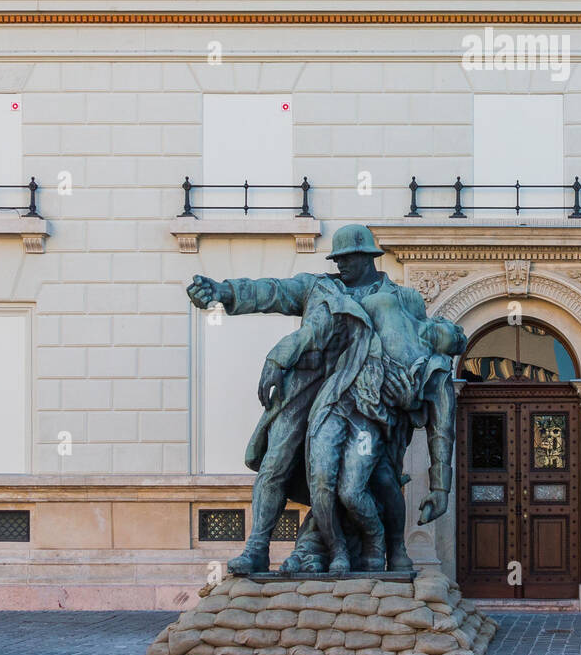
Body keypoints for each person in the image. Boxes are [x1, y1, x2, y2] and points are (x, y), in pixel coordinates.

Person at [186, 223, 462, 575]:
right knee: (276, 464)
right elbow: (270, 292)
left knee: (366, 479)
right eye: (338, 259)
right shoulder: (319, 287)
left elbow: (417, 346)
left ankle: (369, 549)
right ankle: (258, 548)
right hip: (307, 387)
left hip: (364, 400)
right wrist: (221, 292)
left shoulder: (402, 299)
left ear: (368, 258)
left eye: (348, 258)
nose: (341, 265)